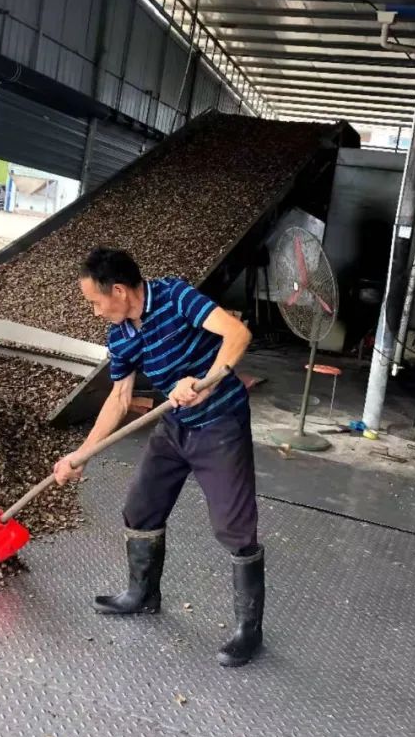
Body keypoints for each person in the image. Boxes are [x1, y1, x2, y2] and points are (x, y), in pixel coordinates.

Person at [53, 247, 264, 667]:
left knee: (233, 527)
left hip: (219, 423)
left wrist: (205, 382)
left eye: (95, 301)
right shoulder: (120, 334)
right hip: (174, 427)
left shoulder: (176, 297)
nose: (95, 311)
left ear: (118, 290)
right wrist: (82, 454)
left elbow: (237, 334)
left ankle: (249, 631)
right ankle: (143, 594)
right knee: (141, 507)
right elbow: (119, 397)